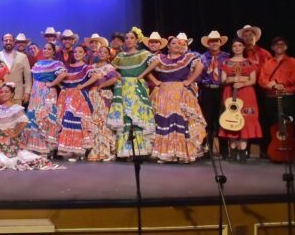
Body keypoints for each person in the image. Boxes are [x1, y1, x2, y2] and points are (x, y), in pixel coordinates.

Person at [146, 34, 207, 163]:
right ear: (168, 46)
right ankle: (165, 153)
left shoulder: (187, 58)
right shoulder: (160, 58)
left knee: (179, 119)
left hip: (180, 93)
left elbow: (200, 67)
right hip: (163, 92)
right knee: (163, 121)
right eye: (174, 43)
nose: (177, 45)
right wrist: (155, 81)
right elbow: (147, 71)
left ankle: (181, 153)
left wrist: (190, 80)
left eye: (180, 44)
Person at [0, 84, 53, 169]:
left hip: (7, 138)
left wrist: (15, 133)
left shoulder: (16, 108)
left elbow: (24, 121)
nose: (3, 94)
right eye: (2, 92)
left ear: (12, 94)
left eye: (6, 92)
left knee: (11, 158)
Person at [106, 28, 156, 158]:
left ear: (136, 40)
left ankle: (139, 150)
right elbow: (110, 69)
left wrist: (142, 75)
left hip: (136, 88)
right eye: (127, 38)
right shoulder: (120, 56)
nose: (128, 40)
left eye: (131, 38)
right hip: (123, 88)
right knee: (125, 118)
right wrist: (116, 74)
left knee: (136, 117)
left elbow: (156, 61)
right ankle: (125, 151)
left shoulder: (143, 53)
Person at [218, 38, 261, 163]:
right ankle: (233, 150)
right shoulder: (226, 63)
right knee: (231, 119)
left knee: (245, 119)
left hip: (247, 93)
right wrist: (233, 80)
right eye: (235, 46)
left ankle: (243, 151)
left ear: (243, 47)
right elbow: (223, 80)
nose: (237, 48)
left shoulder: (250, 63)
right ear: (232, 48)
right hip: (230, 93)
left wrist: (241, 83)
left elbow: (253, 80)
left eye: (240, 45)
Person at [258, 36, 295, 159]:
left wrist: (278, 84)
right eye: (277, 44)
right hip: (271, 97)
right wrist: (269, 85)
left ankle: (290, 149)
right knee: (271, 124)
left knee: (289, 124)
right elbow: (261, 80)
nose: (279, 46)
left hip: (287, 97)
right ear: (272, 47)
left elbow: (294, 79)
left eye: (282, 44)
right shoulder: (268, 63)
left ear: (286, 47)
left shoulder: (293, 62)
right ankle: (272, 150)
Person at [56, 45, 101, 161]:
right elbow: (57, 77)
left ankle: (77, 151)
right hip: (67, 97)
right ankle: (69, 150)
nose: (77, 54)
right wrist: (62, 87)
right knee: (66, 121)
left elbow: (95, 77)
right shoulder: (68, 67)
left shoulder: (86, 67)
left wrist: (83, 86)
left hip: (79, 96)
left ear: (85, 54)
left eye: (80, 52)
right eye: (75, 52)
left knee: (76, 121)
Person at [23, 42, 67, 155]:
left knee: (46, 116)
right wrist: (33, 91)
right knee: (34, 116)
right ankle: (34, 146)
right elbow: (33, 79)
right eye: (45, 49)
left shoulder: (57, 63)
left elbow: (63, 75)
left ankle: (46, 147)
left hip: (47, 92)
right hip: (36, 92)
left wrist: (52, 84)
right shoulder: (38, 63)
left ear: (53, 51)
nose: (46, 51)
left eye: (49, 49)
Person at [198, 31, 230, 157]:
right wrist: (203, 82)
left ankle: (224, 151)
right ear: (208, 43)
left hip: (222, 90)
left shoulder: (227, 57)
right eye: (212, 41)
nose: (214, 43)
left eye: (217, 40)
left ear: (220, 42)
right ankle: (208, 149)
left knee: (222, 119)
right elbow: (198, 74)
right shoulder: (202, 57)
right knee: (207, 121)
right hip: (207, 90)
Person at [86, 45, 120, 162]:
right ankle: (95, 151)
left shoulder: (109, 67)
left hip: (102, 94)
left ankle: (107, 151)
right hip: (92, 95)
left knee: (103, 122)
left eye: (104, 52)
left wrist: (101, 85)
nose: (101, 54)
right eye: (100, 52)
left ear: (108, 55)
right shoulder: (92, 67)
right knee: (93, 122)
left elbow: (114, 79)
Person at [0, 33, 32, 105]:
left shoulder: (22, 56)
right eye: (6, 40)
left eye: (10, 40)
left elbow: (28, 77)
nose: (8, 42)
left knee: (17, 116)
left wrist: (27, 93)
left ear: (14, 42)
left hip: (17, 94)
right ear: (2, 42)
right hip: (0, 93)